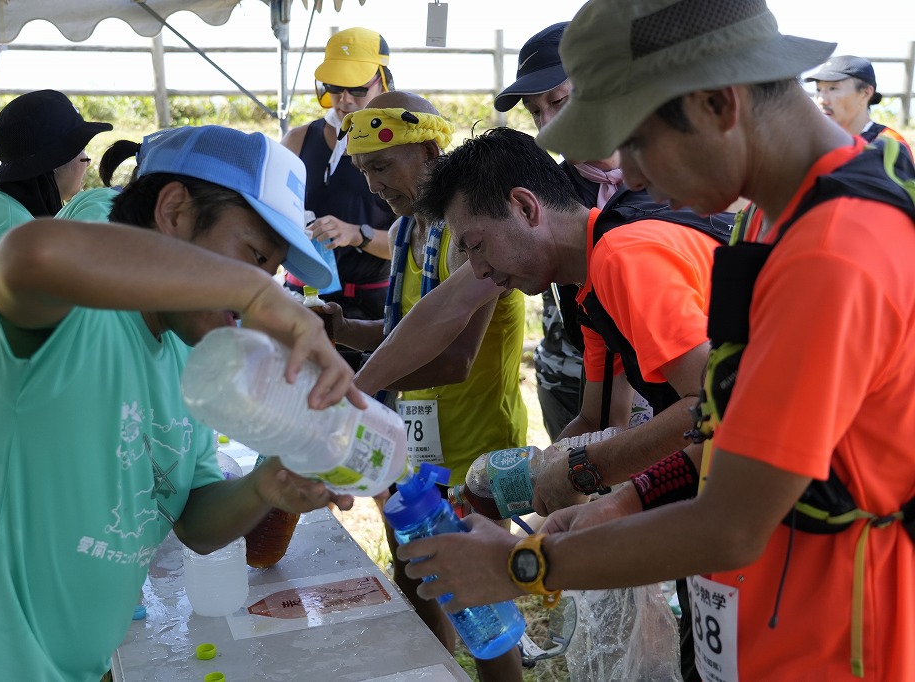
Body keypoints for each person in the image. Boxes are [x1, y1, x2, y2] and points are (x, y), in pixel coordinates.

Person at [397, 2, 915, 680]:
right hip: (752, 625)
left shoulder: (833, 255)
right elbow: (728, 427)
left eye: (637, 142)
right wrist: (628, 499)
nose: (631, 176)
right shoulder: (768, 220)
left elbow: (731, 522)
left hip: (827, 646)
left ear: (716, 103)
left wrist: (520, 566)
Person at [0, 125, 362, 681]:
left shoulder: (190, 358)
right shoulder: (73, 316)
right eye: (254, 256)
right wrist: (252, 292)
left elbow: (195, 520)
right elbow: (30, 253)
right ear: (174, 211)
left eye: (267, 271)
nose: (259, 285)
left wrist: (267, 487)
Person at [331, 91, 526, 681]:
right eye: (363, 171)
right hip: (414, 449)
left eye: (382, 166)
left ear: (432, 151)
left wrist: (354, 391)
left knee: (483, 614)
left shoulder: (476, 238)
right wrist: (342, 329)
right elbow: (402, 335)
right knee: (418, 582)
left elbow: (455, 358)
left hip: (476, 453)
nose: (373, 186)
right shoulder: (408, 235)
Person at [0, 89, 112, 470]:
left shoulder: (5, 211)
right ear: (51, 163)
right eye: (79, 150)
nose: (85, 161)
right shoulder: (8, 228)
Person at [493, 21, 629, 439]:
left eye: (560, 101)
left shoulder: (678, 176)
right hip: (581, 378)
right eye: (536, 112)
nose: (549, 125)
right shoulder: (548, 193)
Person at [280, 27, 395, 321]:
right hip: (306, 299)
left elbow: (416, 244)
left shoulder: (401, 146)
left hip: (372, 305)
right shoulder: (297, 141)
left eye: (357, 89)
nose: (344, 100)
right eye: (334, 87)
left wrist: (357, 234)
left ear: (384, 83)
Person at [806, 55, 913, 157]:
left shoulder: (890, 145)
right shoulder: (814, 143)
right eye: (818, 90)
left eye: (833, 89)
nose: (822, 100)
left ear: (865, 93)